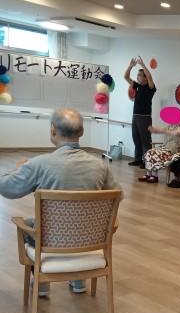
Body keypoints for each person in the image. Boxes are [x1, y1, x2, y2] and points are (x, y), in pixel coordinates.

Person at [0, 108, 122, 296]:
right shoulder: (101, 166)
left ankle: (42, 283)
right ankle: (78, 279)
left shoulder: (39, 164)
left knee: (27, 226)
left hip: (50, 239)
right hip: (90, 238)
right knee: (78, 224)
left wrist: (18, 170)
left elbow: (6, 187)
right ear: (82, 132)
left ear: (53, 130)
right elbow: (117, 195)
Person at [124, 56, 157, 168]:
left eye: (140, 75)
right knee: (136, 139)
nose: (138, 77)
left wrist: (142, 64)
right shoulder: (137, 86)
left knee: (145, 140)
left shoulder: (150, 87)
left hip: (145, 117)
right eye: (137, 75)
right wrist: (130, 66)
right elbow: (126, 76)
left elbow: (150, 77)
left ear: (145, 78)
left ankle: (147, 162)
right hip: (135, 116)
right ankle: (138, 159)